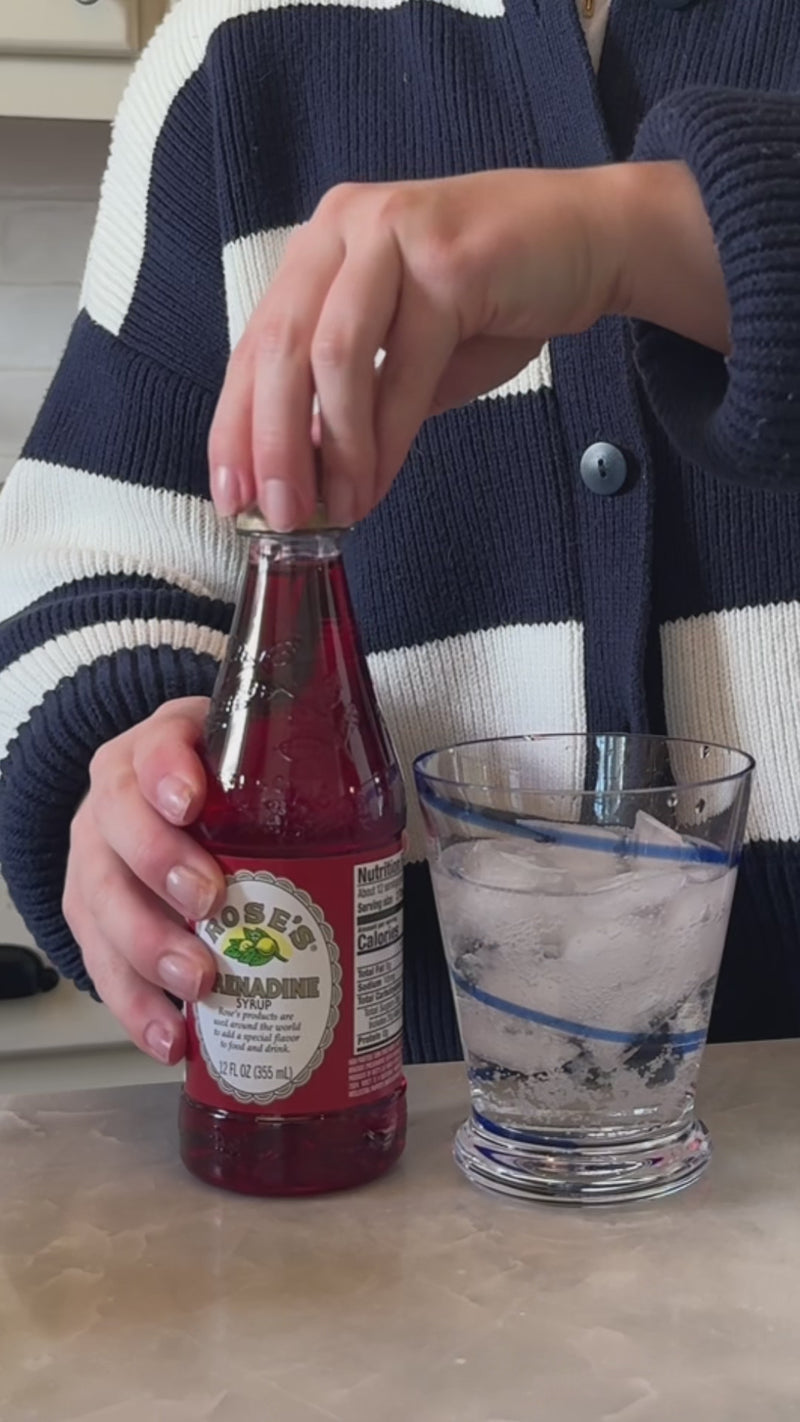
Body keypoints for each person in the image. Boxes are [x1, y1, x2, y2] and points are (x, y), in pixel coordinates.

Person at [0, 0, 798, 1069]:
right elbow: (88, 570)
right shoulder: (230, 54)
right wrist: (127, 778)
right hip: (386, 1132)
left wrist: (648, 237)